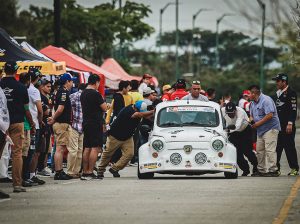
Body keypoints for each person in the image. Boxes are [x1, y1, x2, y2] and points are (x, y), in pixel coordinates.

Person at [0, 61, 34, 193]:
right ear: (16, 71)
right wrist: (31, 123)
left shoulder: (0, 85)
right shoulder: (21, 87)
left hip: (1, 123)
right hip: (17, 122)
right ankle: (17, 184)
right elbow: (26, 109)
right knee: (17, 153)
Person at [98, 101, 154, 178]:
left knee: (130, 154)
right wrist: (153, 111)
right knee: (107, 154)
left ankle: (115, 168)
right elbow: (139, 114)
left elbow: (145, 115)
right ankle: (100, 171)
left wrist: (154, 112)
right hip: (115, 136)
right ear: (135, 108)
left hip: (127, 137)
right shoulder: (129, 111)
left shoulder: (136, 109)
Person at [48, 73, 75, 180]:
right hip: (61, 124)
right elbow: (60, 109)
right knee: (60, 148)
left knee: (60, 148)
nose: (72, 83)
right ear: (67, 82)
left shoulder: (58, 91)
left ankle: (59, 171)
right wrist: (54, 118)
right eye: (71, 81)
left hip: (60, 123)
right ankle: (58, 172)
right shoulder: (63, 92)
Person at [249, 85, 281, 177]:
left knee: (270, 150)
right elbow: (251, 115)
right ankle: (261, 170)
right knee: (259, 150)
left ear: (254, 93)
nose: (249, 95)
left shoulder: (266, 100)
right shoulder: (252, 103)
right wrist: (252, 121)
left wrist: (257, 124)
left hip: (270, 128)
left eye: (250, 93)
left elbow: (270, 115)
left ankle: (273, 170)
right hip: (260, 130)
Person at [80, 74, 107, 180]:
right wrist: (106, 105)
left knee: (87, 147)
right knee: (95, 148)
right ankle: (90, 172)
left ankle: (85, 171)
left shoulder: (83, 93)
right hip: (95, 123)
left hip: (86, 122)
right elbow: (104, 108)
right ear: (96, 82)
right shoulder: (96, 94)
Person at [272, 73, 299, 176]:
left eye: (278, 81)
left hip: (287, 126)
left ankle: (294, 168)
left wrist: (290, 123)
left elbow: (293, 109)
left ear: (284, 81)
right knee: (277, 147)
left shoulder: (291, 93)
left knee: (289, 147)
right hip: (278, 126)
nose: (276, 83)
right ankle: (276, 168)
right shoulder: (277, 93)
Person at [222, 102, 258, 176]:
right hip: (233, 133)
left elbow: (237, 126)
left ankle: (256, 166)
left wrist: (226, 130)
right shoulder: (222, 110)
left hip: (244, 131)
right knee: (236, 153)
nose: (230, 115)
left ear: (235, 111)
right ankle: (245, 169)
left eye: (232, 113)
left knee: (247, 151)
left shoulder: (240, 112)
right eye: (228, 113)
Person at [26, 68, 45, 185]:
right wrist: (40, 120)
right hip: (34, 124)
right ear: (37, 78)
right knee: (34, 151)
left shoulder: (25, 88)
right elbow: (40, 110)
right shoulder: (34, 90)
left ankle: (28, 174)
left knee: (28, 151)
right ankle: (31, 175)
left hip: (27, 122)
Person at [67, 83, 86, 178]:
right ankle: (74, 171)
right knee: (78, 151)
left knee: (73, 151)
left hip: (74, 125)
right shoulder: (86, 96)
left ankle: (71, 171)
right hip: (81, 126)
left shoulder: (72, 96)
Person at [37, 79, 52, 177]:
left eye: (50, 87)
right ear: (42, 87)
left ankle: (42, 166)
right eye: (48, 86)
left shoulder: (46, 97)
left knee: (46, 147)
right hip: (42, 124)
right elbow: (46, 112)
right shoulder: (41, 97)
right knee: (42, 147)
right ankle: (40, 167)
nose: (50, 88)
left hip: (46, 124)